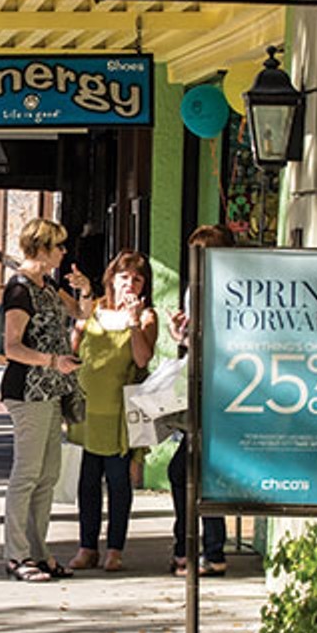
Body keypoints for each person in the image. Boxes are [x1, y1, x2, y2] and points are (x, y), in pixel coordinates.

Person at [0, 217, 86, 582]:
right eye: (59, 246)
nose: (64, 252)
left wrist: (84, 289)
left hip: (51, 390)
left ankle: (38, 551)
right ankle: (16, 555)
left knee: (48, 474)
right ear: (41, 248)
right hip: (28, 389)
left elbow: (81, 313)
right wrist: (53, 360)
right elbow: (12, 346)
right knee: (27, 473)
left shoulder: (47, 285)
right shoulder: (19, 289)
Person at [67, 249, 158, 573]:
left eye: (136, 279)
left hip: (121, 414)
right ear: (112, 279)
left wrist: (133, 322)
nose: (129, 285)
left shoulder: (146, 316)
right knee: (87, 480)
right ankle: (87, 546)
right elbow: (75, 345)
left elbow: (143, 359)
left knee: (119, 482)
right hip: (89, 409)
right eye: (124, 277)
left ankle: (115, 548)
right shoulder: (96, 310)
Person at [167, 225, 231, 577]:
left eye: (203, 252)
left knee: (191, 470)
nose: (198, 260)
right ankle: (196, 549)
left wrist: (187, 338)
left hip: (219, 389)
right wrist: (181, 335)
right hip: (204, 386)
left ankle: (200, 549)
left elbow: (222, 343)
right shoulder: (198, 286)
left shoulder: (226, 288)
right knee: (192, 470)